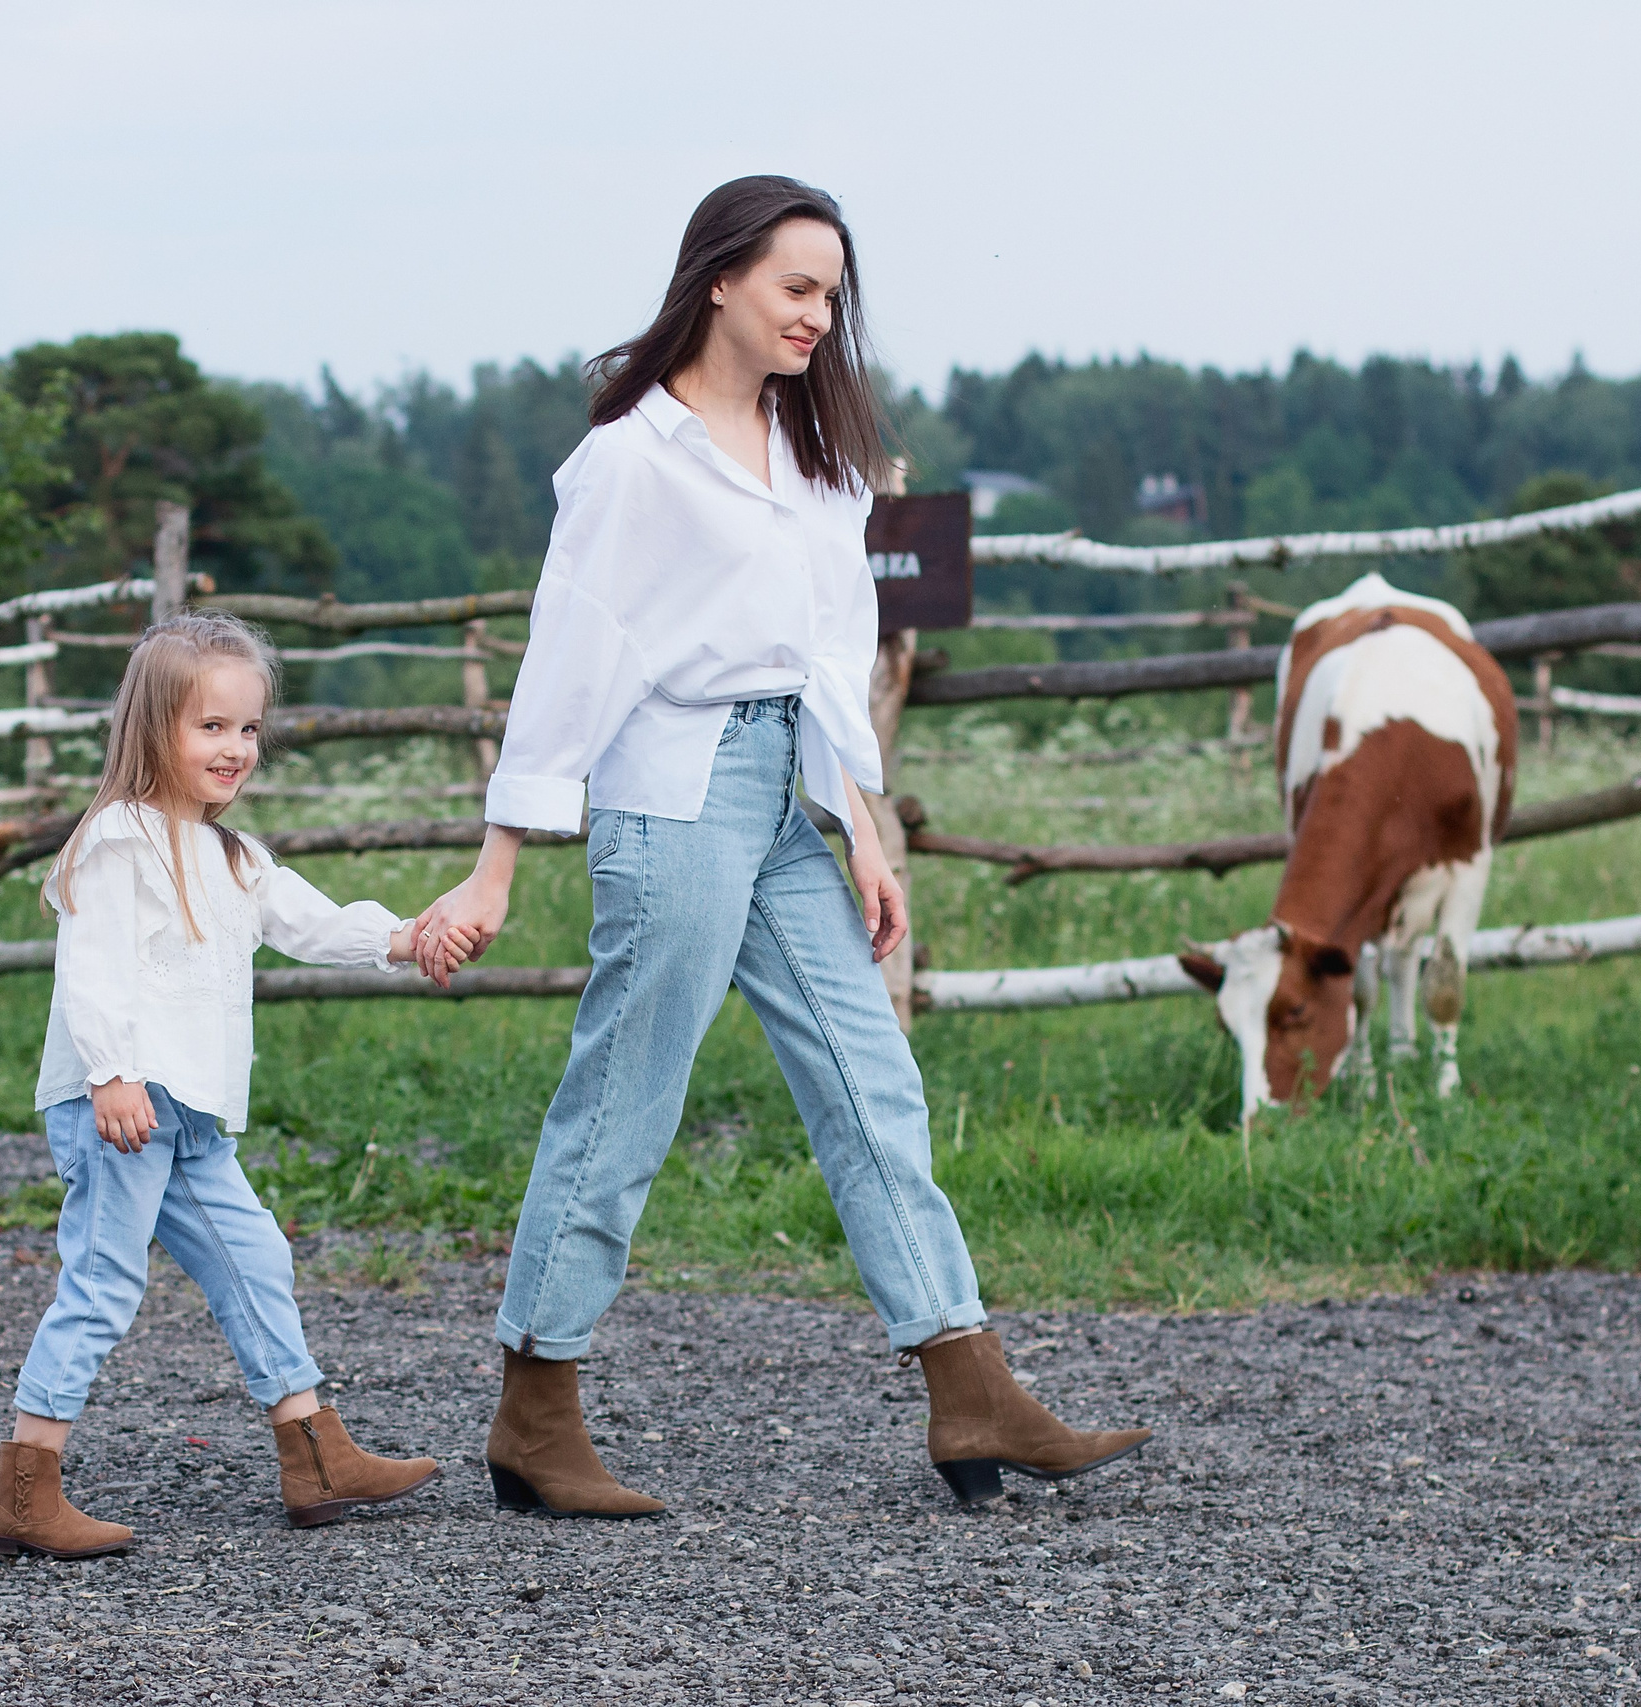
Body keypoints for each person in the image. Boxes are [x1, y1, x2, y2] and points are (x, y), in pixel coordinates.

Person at [413, 176, 1150, 1516]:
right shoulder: (632, 458)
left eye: (830, 295)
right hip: (672, 795)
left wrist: (860, 826)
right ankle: (535, 1408)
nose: (817, 315)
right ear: (721, 280)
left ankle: (969, 1385)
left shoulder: (813, 458)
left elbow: (824, 657)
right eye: (795, 287)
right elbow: (569, 657)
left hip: (781, 795)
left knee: (874, 1081)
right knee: (626, 1097)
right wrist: (499, 859)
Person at [0, 610, 456, 1558]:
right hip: (122, 1107)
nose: (236, 747)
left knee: (256, 1257)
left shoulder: (234, 855)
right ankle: (24, 1486)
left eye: (248, 728)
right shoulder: (119, 839)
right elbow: (93, 968)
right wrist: (112, 1072)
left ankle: (315, 1455)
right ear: (153, 726)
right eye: (211, 726)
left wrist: (404, 937)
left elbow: (313, 922)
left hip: (190, 1117)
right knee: (104, 1281)